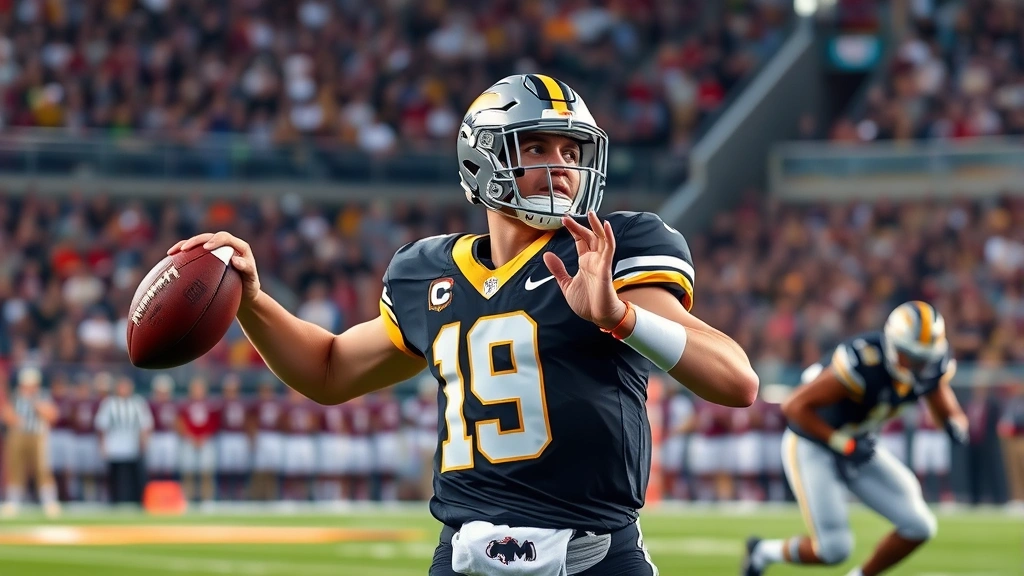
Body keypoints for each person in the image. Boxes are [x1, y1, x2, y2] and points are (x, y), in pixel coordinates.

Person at [170, 73, 758, 576]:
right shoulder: (428, 272)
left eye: (572, 151)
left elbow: (738, 382)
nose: (560, 167)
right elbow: (327, 371)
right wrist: (251, 300)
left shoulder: (608, 250)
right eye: (537, 147)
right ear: (484, 159)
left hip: (591, 556)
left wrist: (621, 317)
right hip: (462, 555)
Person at [742, 301, 970, 576]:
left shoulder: (929, 367)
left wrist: (956, 425)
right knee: (834, 548)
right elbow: (794, 406)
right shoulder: (864, 362)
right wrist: (844, 444)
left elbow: (944, 405)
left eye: (926, 357)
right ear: (894, 346)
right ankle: (762, 552)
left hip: (858, 444)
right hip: (812, 443)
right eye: (912, 356)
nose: (921, 365)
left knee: (919, 525)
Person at [1, 367, 60, 517]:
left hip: (38, 435)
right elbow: (6, 414)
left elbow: (53, 416)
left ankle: (48, 501)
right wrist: (14, 419)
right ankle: (13, 501)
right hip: (17, 435)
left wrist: (37, 405)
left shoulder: (43, 396)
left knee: (42, 468)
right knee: (16, 467)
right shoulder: (15, 396)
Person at [94, 375, 153, 506]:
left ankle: (135, 500)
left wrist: (143, 442)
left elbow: (145, 425)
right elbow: (101, 426)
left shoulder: (138, 402)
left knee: (134, 475)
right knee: (116, 475)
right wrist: (102, 445)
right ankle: (116, 500)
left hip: (132, 445)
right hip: (114, 445)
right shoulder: (109, 403)